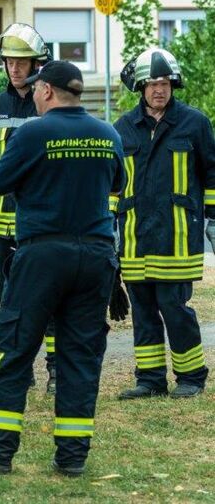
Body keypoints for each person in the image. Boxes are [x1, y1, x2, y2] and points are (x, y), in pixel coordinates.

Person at [0, 61, 124, 476]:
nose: (31, 94)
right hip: (96, 256)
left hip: (43, 254)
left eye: (35, 89)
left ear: (47, 91)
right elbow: (117, 185)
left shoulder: (32, 132)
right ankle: (72, 459)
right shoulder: (109, 134)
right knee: (81, 357)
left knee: (15, 348)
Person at [115, 47, 215, 400]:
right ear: (141, 87)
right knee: (142, 311)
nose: (160, 89)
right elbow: (114, 185)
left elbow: (212, 174)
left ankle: (191, 376)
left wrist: (214, 219)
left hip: (177, 236)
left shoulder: (195, 123)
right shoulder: (123, 128)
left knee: (174, 308)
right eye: (153, 83)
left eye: (166, 83)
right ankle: (150, 379)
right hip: (134, 238)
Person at [0, 23, 57, 393]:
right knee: (9, 305)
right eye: (9, 62)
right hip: (6, 228)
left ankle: (57, 371)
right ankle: (12, 370)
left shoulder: (52, 103)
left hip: (43, 225)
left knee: (51, 304)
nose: (15, 69)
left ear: (38, 63)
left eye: (22, 62)